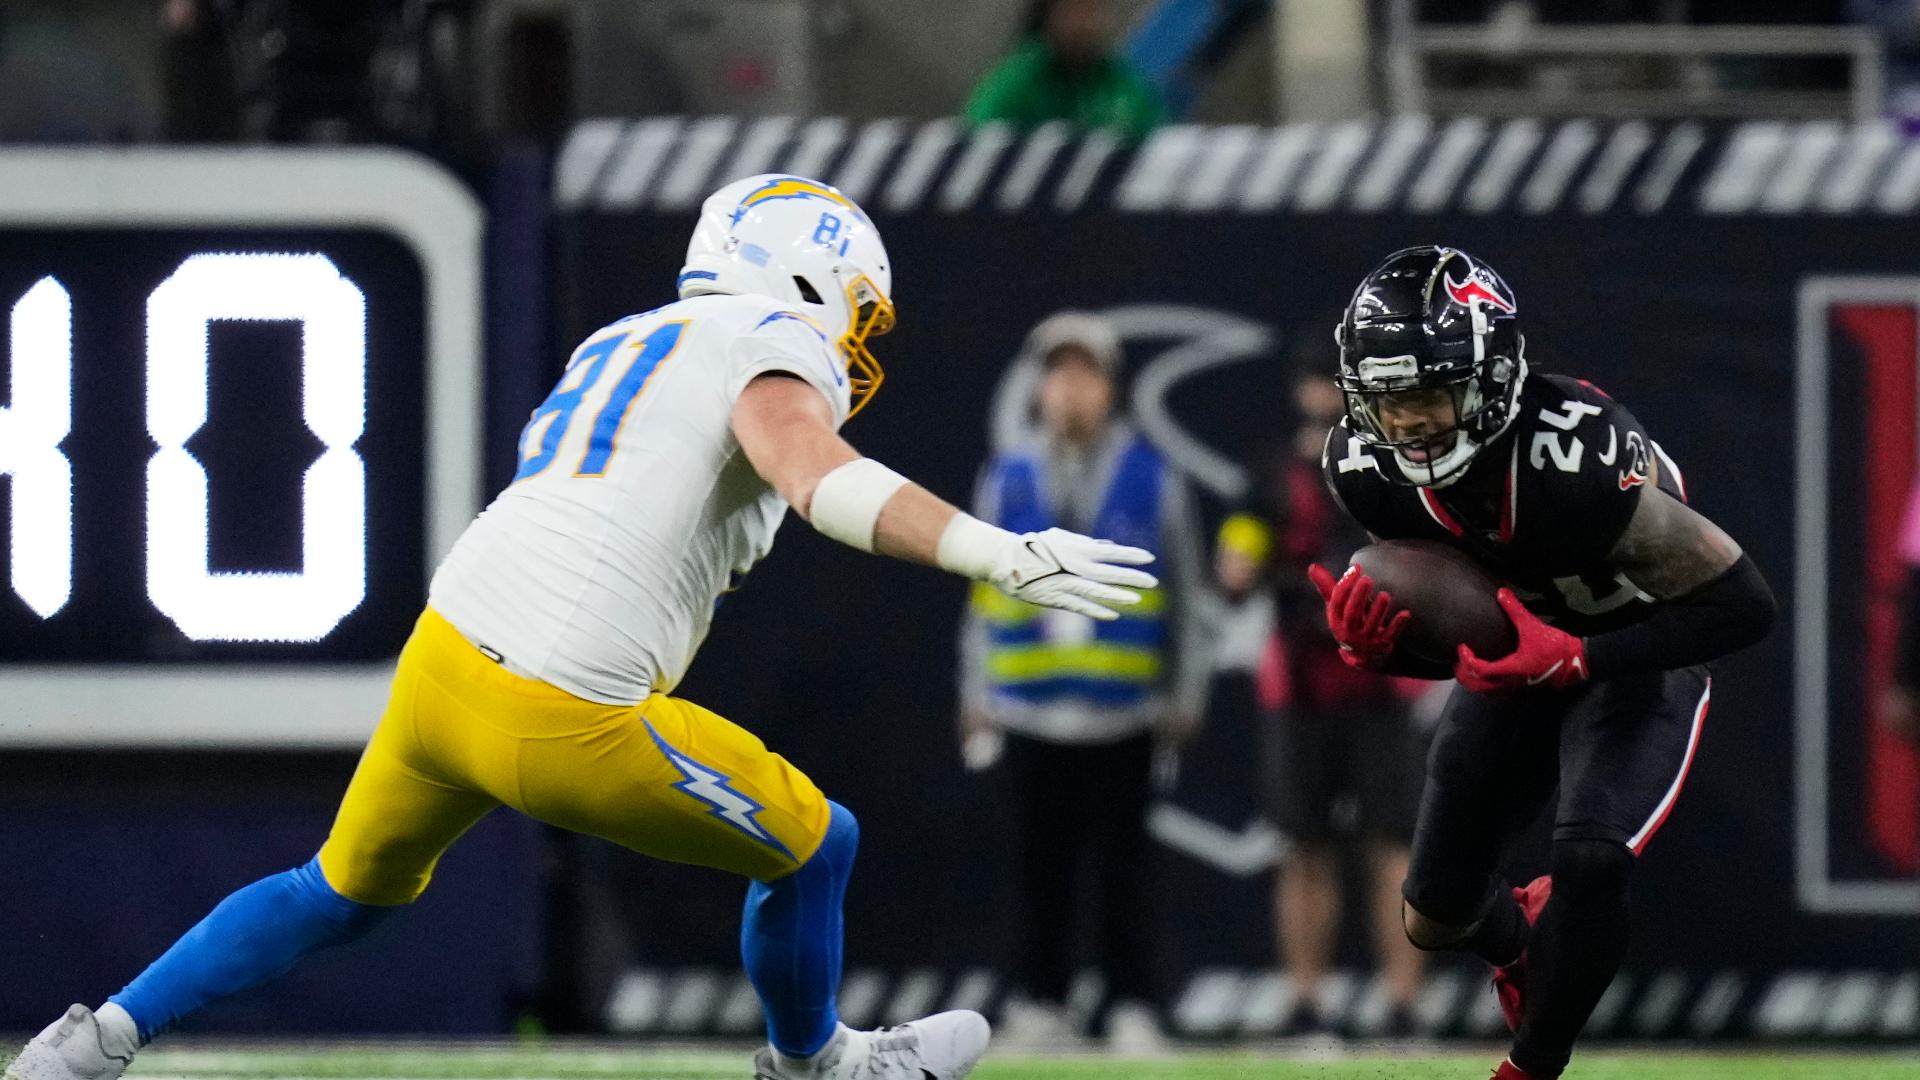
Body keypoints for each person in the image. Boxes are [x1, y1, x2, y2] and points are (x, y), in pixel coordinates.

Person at [4, 174, 1160, 1080]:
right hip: (558, 705)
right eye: (853, 304)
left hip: (445, 659)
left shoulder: (618, 341)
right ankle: (815, 1065)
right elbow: (813, 474)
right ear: (807, 278)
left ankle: (96, 1037)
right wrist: (994, 550)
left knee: (333, 891)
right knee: (819, 839)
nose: (855, 336)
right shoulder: (769, 337)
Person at [1313, 247, 1775, 1080]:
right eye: (1387, 402)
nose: (1407, 423)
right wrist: (1384, 650)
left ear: (1489, 379)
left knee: (1591, 860)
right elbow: (1478, 645)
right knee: (1436, 914)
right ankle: (1528, 946)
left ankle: (1531, 1067)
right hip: (1531, 658)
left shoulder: (1574, 457)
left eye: (1424, 395)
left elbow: (1743, 606)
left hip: (1632, 646)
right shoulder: (1363, 469)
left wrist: (1583, 656)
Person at [958, 311, 1203, 1053]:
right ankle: (1041, 1003)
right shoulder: (1006, 478)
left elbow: (1187, 598)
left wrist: (1184, 695)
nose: (1070, 389)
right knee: (1038, 867)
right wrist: (975, 692)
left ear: (1111, 388)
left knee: (1127, 869)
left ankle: (1131, 1004)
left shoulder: (1154, 478)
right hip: (1029, 709)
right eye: (1057, 373)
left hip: (1124, 712)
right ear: (1039, 388)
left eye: (1085, 374)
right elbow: (977, 592)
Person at [1232, 368, 1427, 1038]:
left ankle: (1404, 1004)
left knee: (1393, 845)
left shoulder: (1397, 475)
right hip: (1302, 685)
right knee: (1304, 844)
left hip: (1381, 683)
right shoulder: (1270, 479)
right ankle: (1305, 1000)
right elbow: (1233, 566)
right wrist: (1244, 564)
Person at [963, 0, 1160, 143]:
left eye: (1094, 11)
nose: (1085, 24)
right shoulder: (1020, 77)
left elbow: (1155, 138)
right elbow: (974, 134)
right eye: (1075, 10)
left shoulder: (1120, 83)